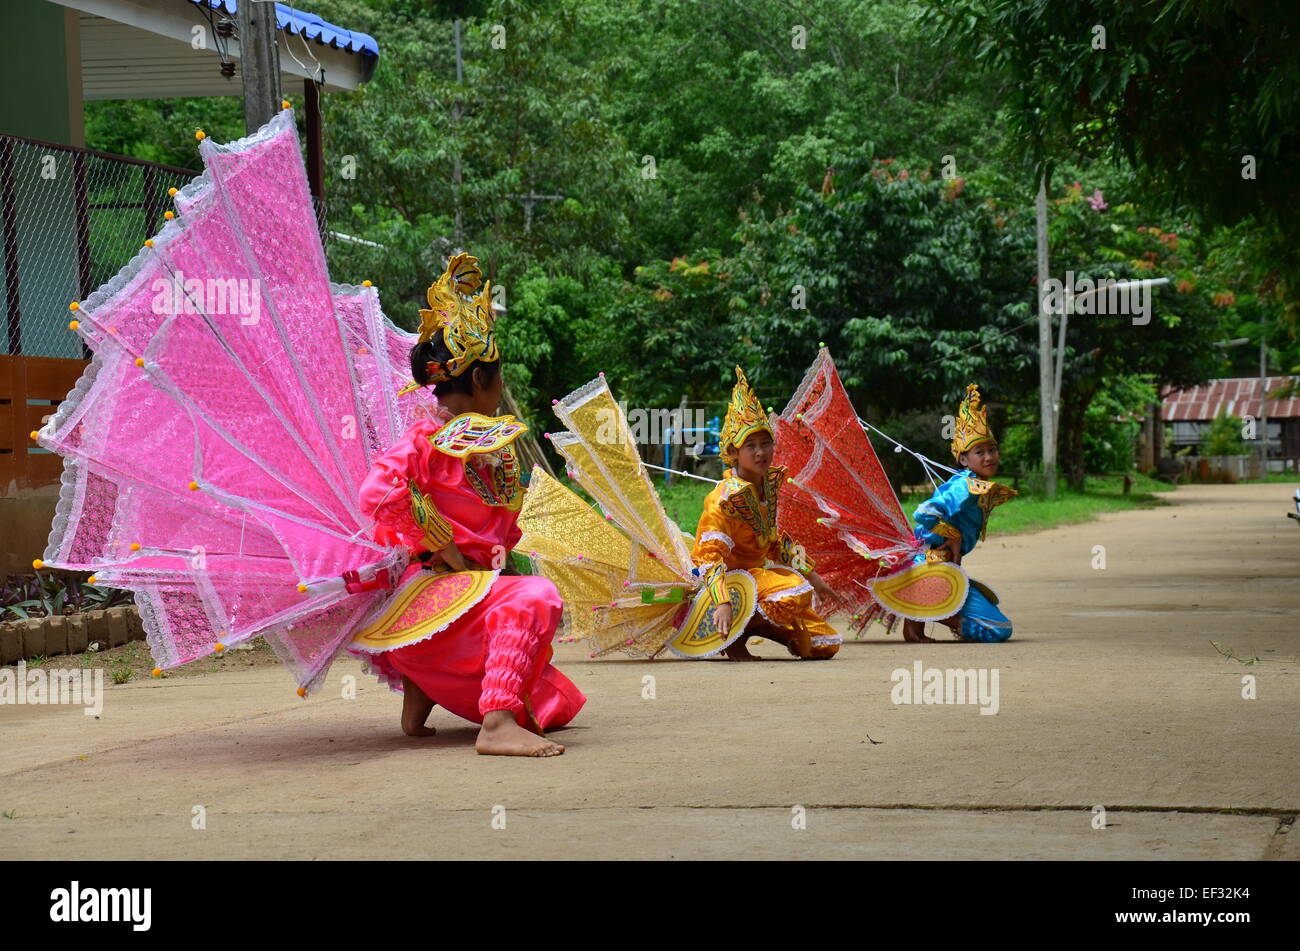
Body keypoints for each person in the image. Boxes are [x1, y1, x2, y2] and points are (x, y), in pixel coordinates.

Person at [350, 253, 585, 755]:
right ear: (480, 381)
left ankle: (422, 694)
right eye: (498, 379)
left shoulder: (485, 445)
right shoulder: (425, 439)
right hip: (433, 601)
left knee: (555, 703)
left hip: (452, 608)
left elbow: (499, 536)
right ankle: (495, 725)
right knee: (536, 597)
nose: (500, 390)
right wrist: (435, 541)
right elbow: (377, 494)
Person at [691, 367, 842, 660]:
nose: (761, 452)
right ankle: (735, 632)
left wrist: (816, 578)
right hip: (734, 583)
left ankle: (760, 629)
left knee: (825, 645)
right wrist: (722, 601)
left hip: (761, 581)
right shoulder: (721, 499)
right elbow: (708, 558)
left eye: (765, 443)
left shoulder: (767, 487)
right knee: (794, 590)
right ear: (733, 453)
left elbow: (774, 543)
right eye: (751, 446)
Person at [901, 384, 1017, 643]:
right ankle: (927, 610)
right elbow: (924, 513)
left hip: (932, 566)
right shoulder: (965, 484)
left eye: (992, 450)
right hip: (928, 566)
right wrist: (952, 535)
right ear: (964, 460)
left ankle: (915, 625)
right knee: (998, 629)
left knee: (996, 622)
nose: (989, 457)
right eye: (980, 452)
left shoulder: (972, 483)